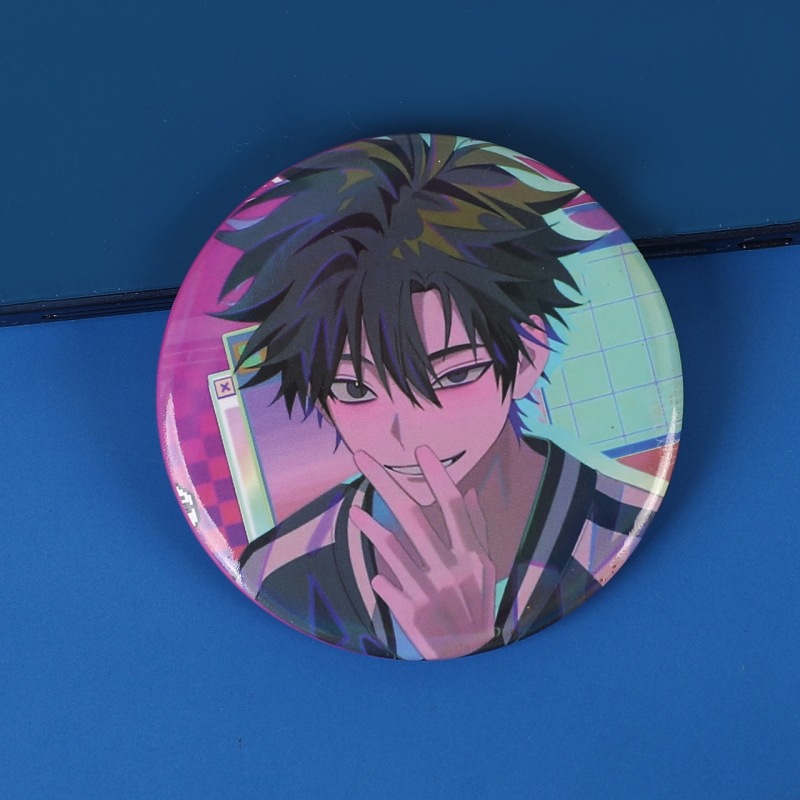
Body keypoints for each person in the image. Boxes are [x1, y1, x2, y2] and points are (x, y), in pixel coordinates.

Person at [214, 134, 654, 659]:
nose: (407, 434)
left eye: (454, 375)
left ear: (528, 355)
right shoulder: (282, 569)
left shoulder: (618, 525)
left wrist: (467, 644)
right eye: (356, 389)